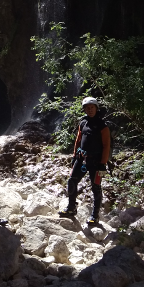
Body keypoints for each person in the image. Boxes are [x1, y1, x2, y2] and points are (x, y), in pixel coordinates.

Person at [59, 96, 110, 225]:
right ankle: (71, 208)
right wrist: (74, 156)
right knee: (72, 181)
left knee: (96, 187)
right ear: (85, 110)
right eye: (87, 108)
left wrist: (103, 164)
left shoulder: (102, 126)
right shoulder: (83, 123)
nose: (90, 110)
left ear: (96, 108)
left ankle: (95, 215)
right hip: (82, 158)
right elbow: (78, 140)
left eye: (92, 107)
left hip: (97, 162)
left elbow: (106, 146)